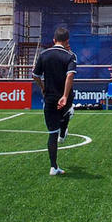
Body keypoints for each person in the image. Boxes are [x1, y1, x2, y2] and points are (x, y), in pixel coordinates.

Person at [31, 27, 77, 176]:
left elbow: (35, 75)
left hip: (49, 98)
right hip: (65, 98)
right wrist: (64, 95)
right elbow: (70, 76)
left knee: (52, 134)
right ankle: (64, 125)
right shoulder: (70, 56)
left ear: (54, 40)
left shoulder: (44, 55)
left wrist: (43, 88)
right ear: (67, 41)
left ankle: (53, 167)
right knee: (67, 112)